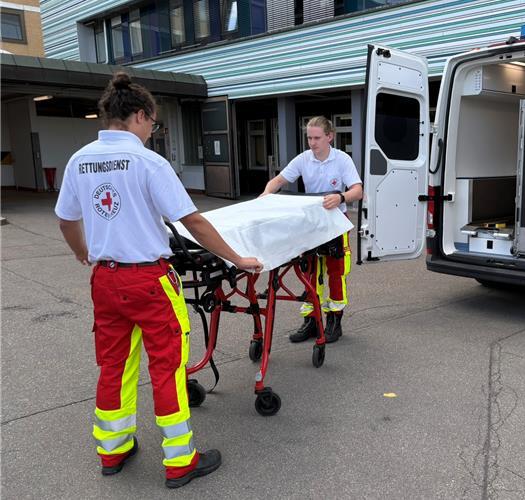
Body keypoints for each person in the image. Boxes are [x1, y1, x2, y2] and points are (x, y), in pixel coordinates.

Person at [55, 72, 263, 489]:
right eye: (152, 122)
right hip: (148, 281)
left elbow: (66, 219)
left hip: (106, 281)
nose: (152, 130)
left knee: (114, 366)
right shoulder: (148, 162)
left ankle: (112, 450)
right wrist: (238, 258)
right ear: (139, 115)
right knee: (166, 368)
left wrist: (82, 251)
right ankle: (180, 460)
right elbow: (193, 223)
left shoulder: (80, 160)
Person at [260, 116, 362, 343]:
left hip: (336, 222)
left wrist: (341, 197)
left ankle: (334, 321)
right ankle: (312, 321)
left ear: (329, 136)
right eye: (309, 138)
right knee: (309, 272)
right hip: (311, 224)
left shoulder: (342, 160)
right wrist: (266, 194)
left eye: (317, 138)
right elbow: (278, 181)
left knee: (336, 272)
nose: (312, 143)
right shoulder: (303, 159)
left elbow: (357, 190)